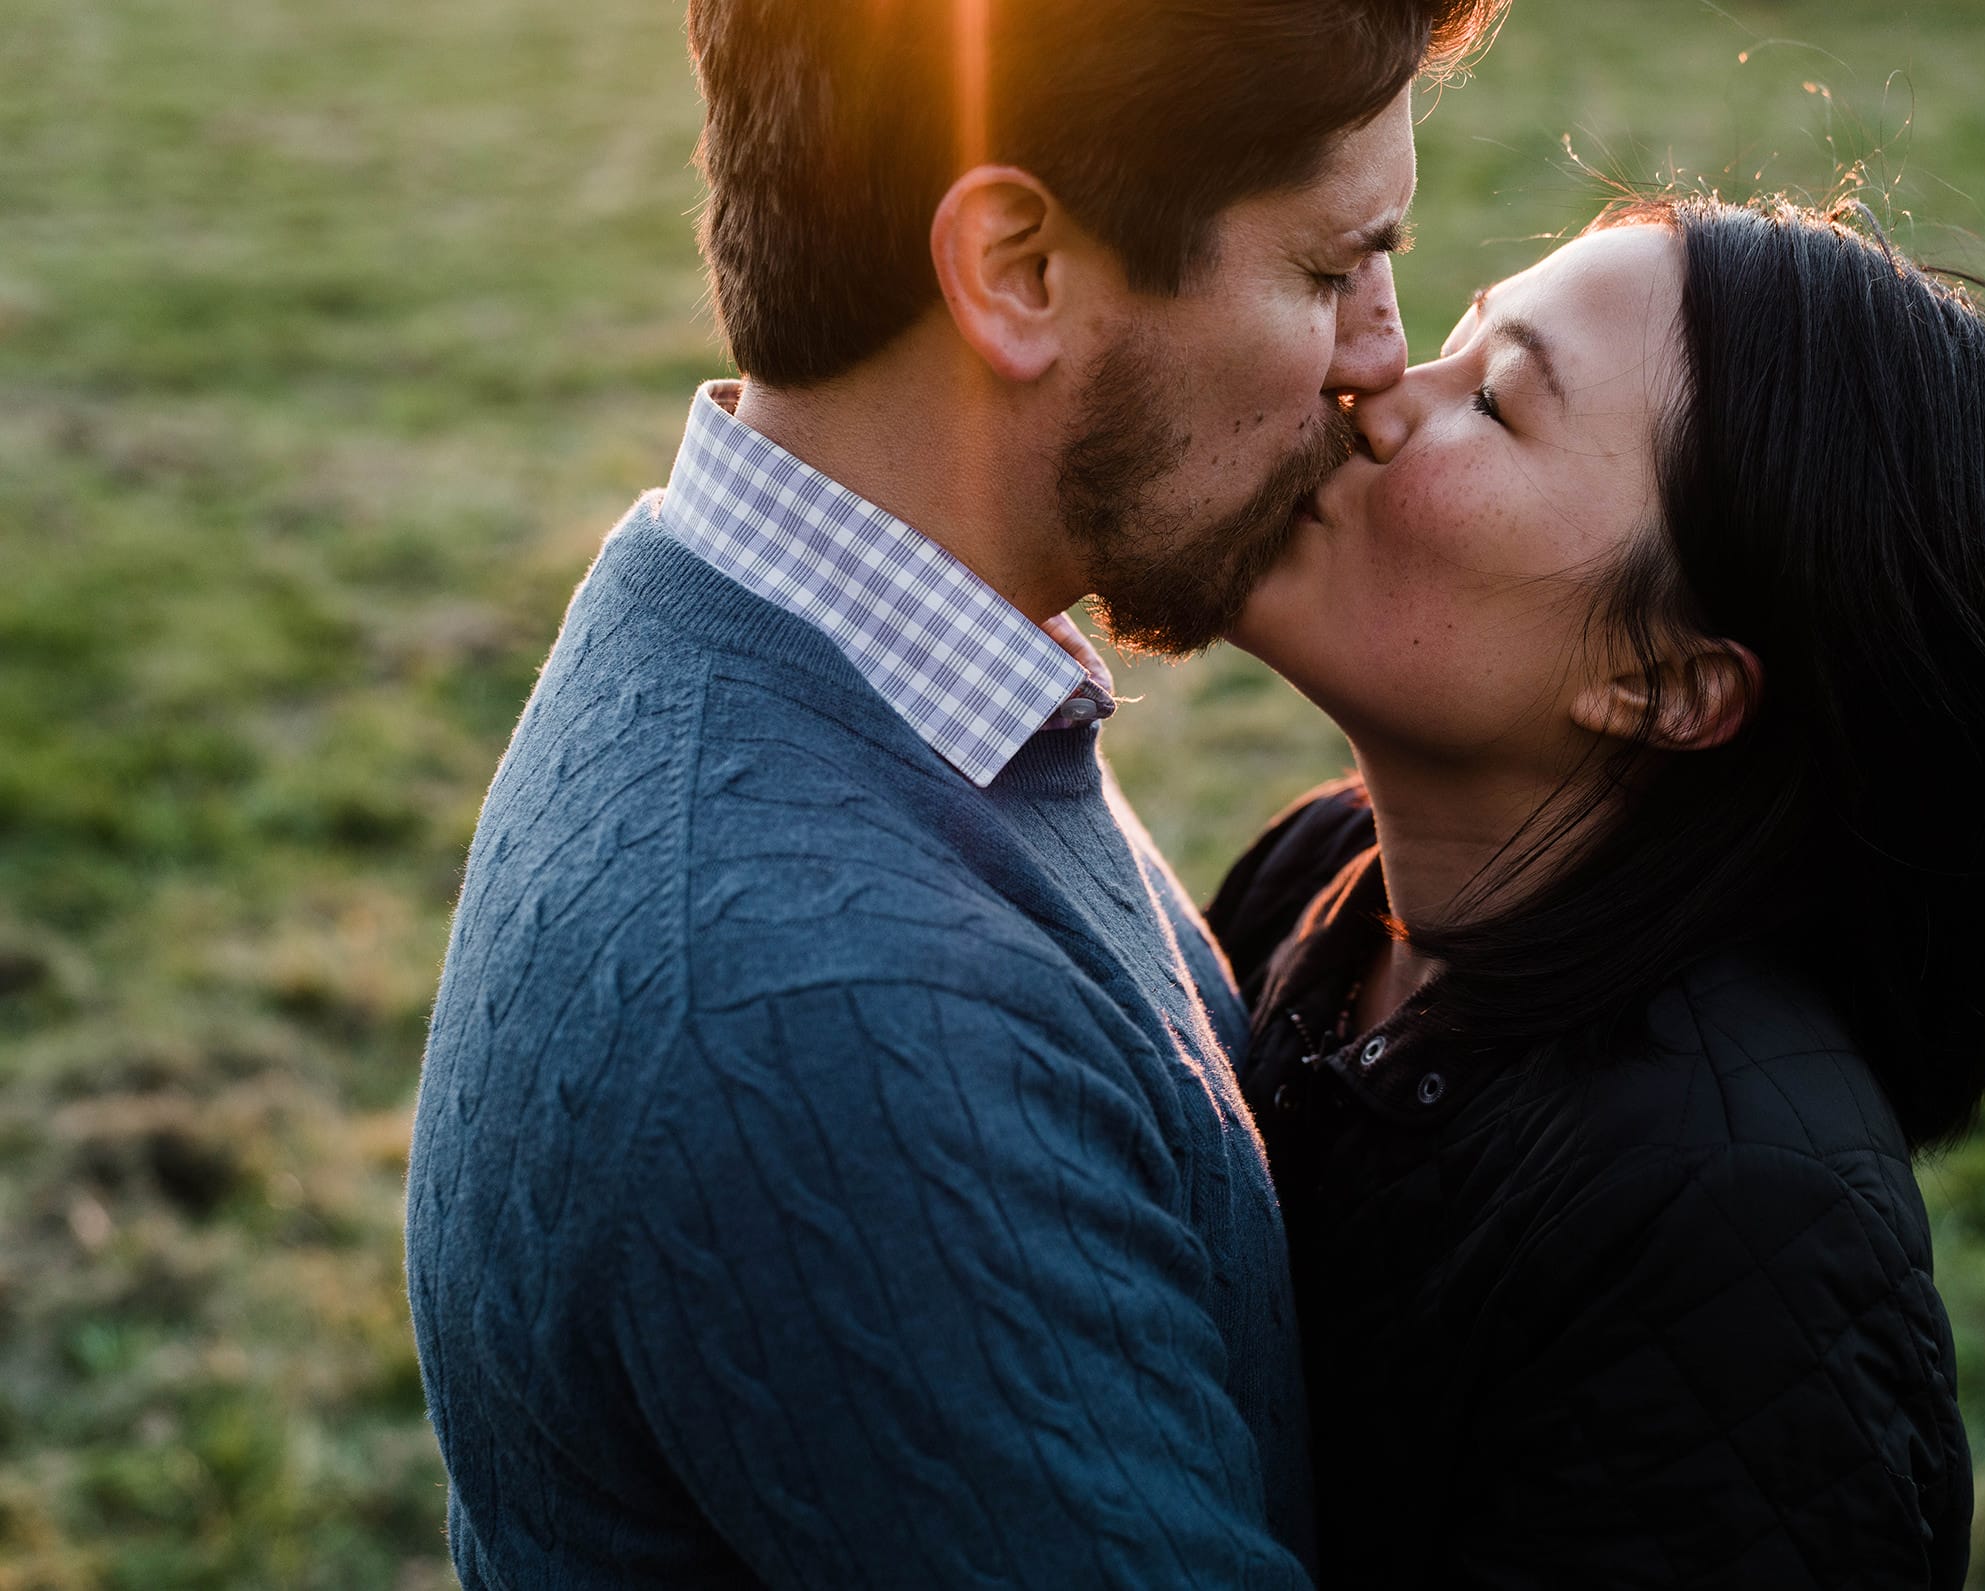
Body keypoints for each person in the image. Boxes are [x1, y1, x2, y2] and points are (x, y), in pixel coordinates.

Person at [404, 1, 1505, 1584]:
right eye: (1329, 271)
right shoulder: (831, 1021)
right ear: (1016, 272)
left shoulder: (825, 650)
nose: (1378, 357)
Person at [1208, 196, 1985, 1587]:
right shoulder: (1322, 882)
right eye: (1457, 339)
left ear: (1662, 686)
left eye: (1497, 402)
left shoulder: (1726, 1223)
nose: (1379, 389)